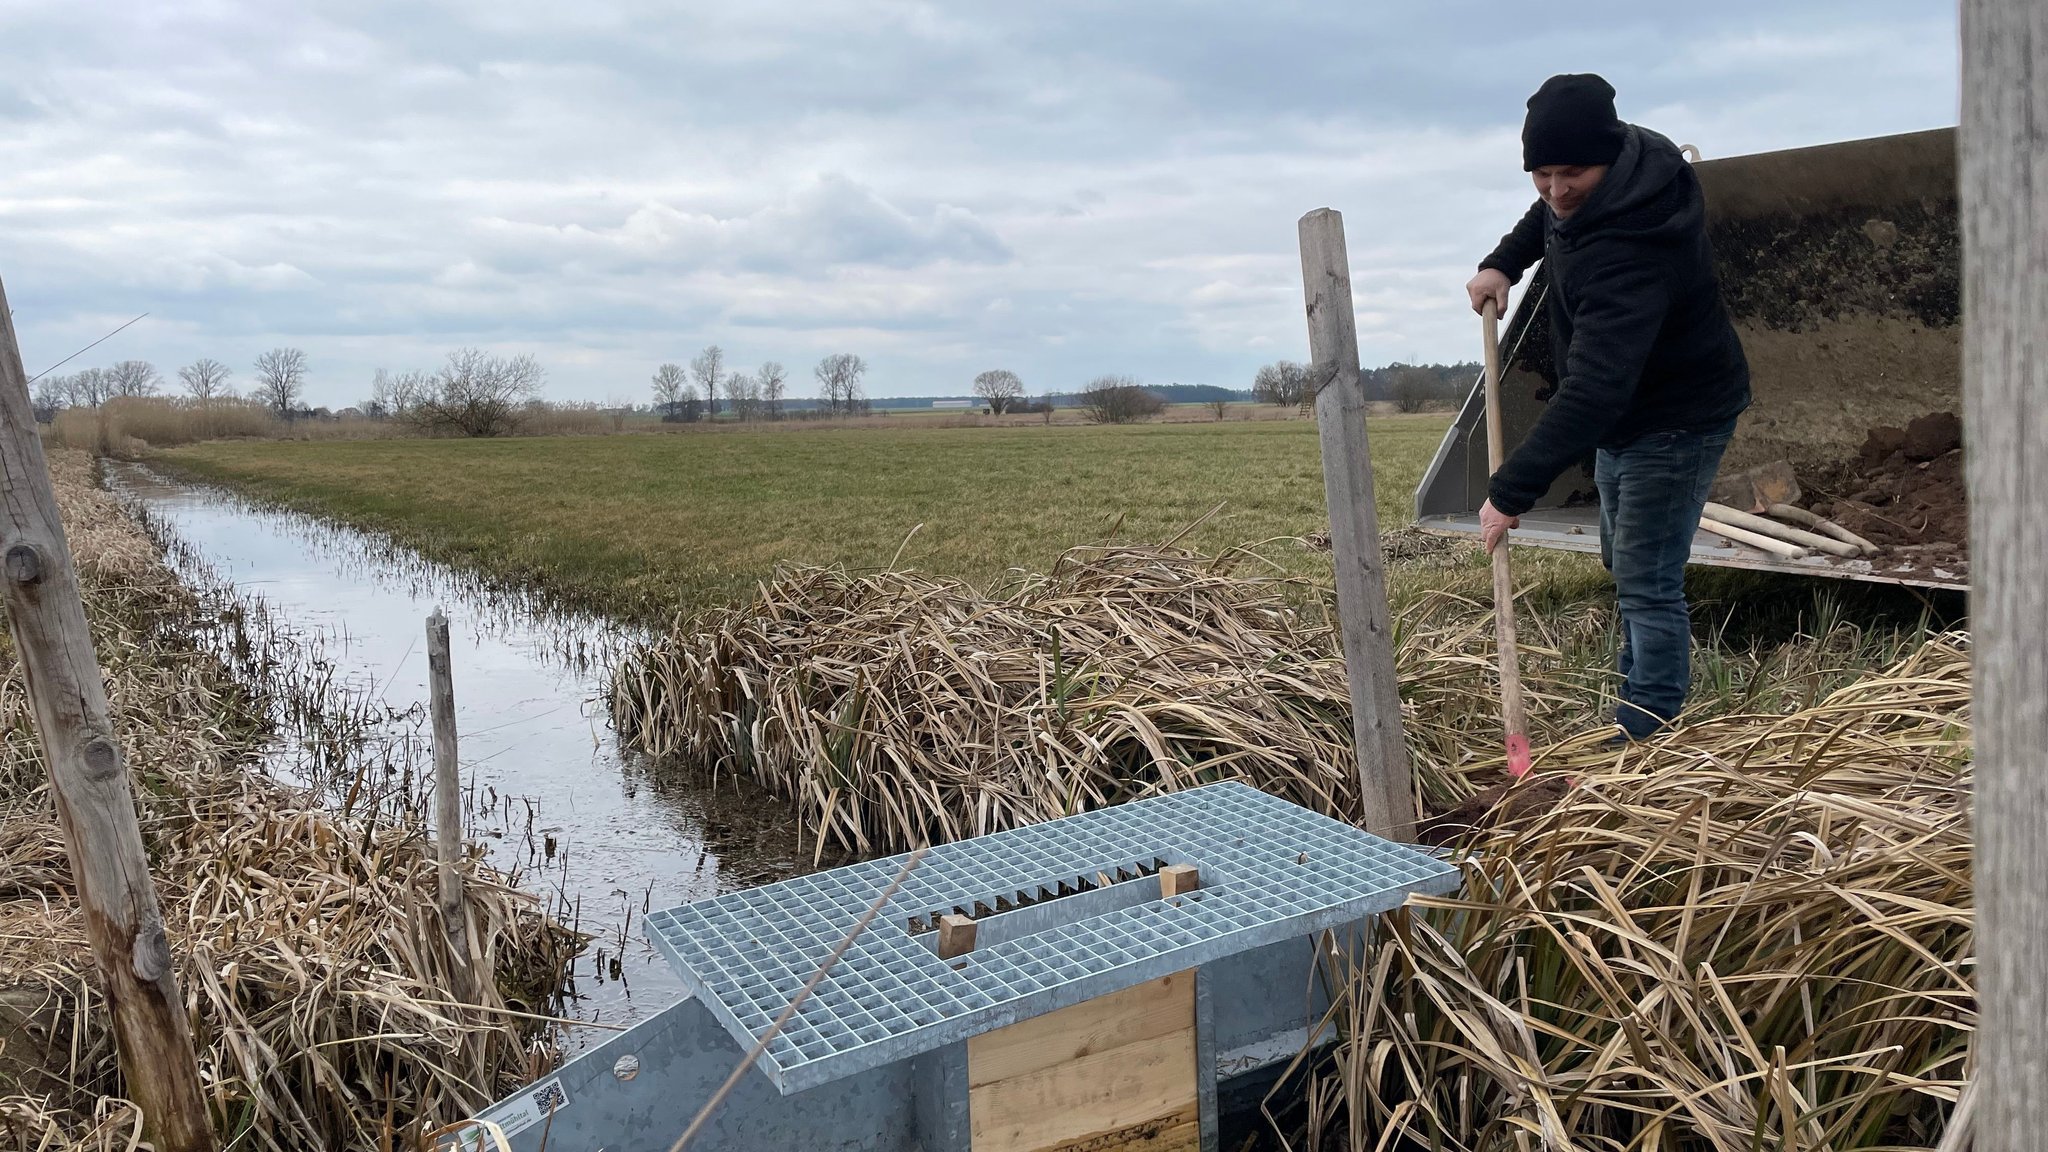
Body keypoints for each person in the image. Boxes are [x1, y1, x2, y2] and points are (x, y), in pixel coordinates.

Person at [1464, 73, 1750, 741]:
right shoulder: (1617, 173)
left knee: (1648, 577)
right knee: (1624, 560)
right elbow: (1552, 218)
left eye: (1573, 173)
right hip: (1629, 411)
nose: (1557, 189)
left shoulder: (1635, 244)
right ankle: (1637, 689)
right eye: (1541, 172)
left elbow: (1594, 390)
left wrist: (1510, 491)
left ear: (1610, 156)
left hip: (1676, 418)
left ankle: (1646, 726)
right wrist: (1504, 263)